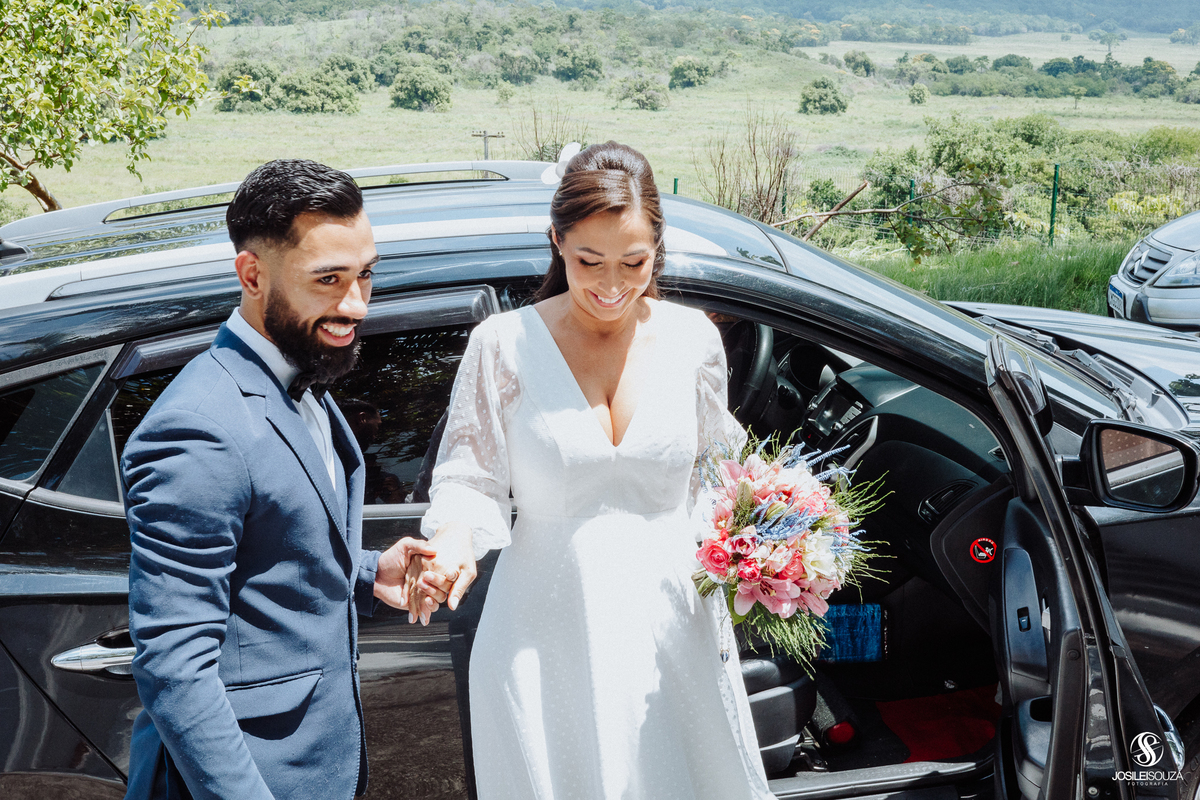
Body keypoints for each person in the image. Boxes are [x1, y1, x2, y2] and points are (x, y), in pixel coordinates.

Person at [410, 142, 776, 799]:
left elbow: (715, 477)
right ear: (557, 242)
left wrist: (777, 542)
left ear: (657, 247)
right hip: (545, 632)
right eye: (589, 261)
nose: (612, 285)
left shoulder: (694, 339)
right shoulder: (503, 345)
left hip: (673, 627)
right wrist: (454, 543)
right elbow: (469, 477)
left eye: (634, 262)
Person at [122, 159, 445, 800]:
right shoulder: (198, 427)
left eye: (365, 274)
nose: (355, 304)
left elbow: (270, 544)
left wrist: (365, 573)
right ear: (252, 275)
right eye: (328, 280)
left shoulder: (302, 374)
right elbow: (175, 665)